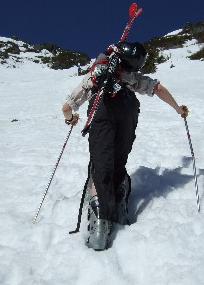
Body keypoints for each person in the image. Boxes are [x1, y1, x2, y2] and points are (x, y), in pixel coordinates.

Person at [61, 42, 188, 251]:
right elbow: (157, 88)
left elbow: (67, 107)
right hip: (129, 109)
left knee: (100, 164)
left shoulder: (94, 77)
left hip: (101, 109)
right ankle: (119, 202)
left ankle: (99, 223)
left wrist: (70, 119)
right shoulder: (131, 76)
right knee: (119, 160)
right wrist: (178, 109)